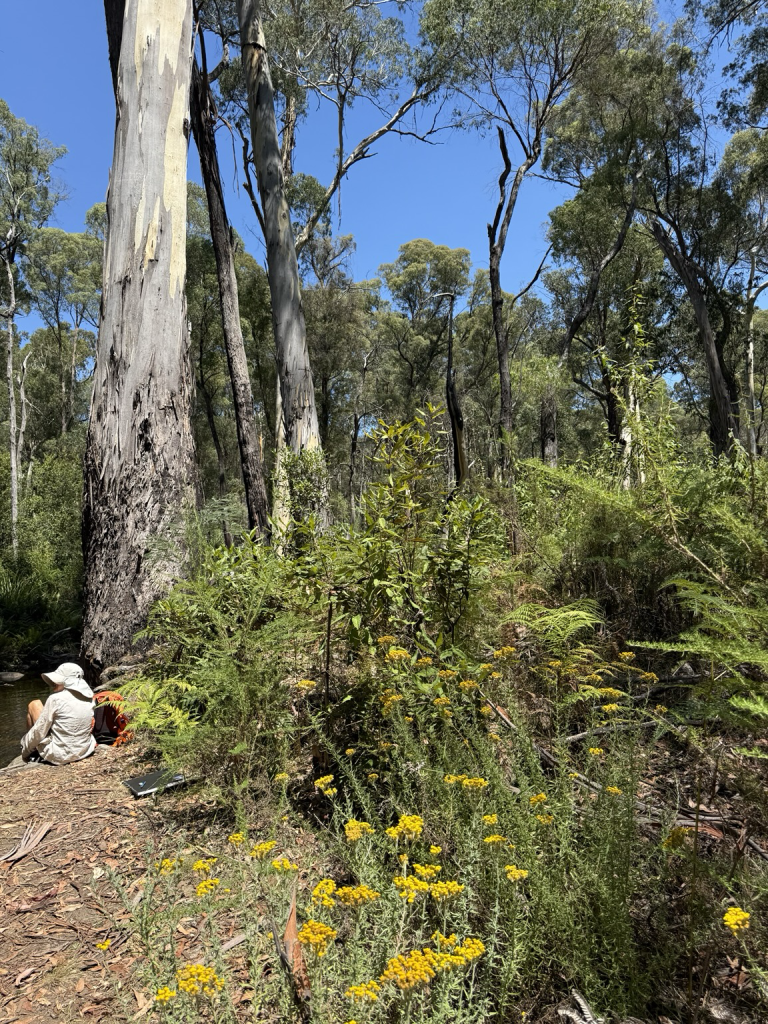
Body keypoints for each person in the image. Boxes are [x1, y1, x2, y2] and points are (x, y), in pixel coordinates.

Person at [20, 662, 97, 765]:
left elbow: (39, 731)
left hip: (60, 756)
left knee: (34, 704)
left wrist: (25, 752)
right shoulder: (90, 699)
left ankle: (31, 750)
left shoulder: (55, 699)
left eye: (57, 681)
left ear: (67, 682)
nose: (53, 683)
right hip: (84, 751)